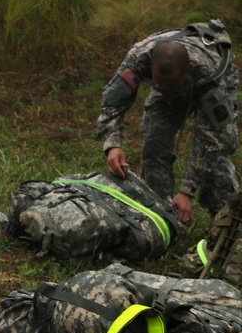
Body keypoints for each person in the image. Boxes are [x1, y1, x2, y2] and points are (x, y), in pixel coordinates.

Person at [99, 19, 239, 226]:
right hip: (173, 86)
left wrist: (186, 191)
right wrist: (112, 144)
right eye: (159, 82)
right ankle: (160, 215)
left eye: (170, 83)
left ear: (189, 67)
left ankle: (225, 221)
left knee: (215, 155)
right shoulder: (139, 58)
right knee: (155, 143)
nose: (164, 87)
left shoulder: (209, 76)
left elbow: (210, 140)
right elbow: (112, 103)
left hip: (210, 84)